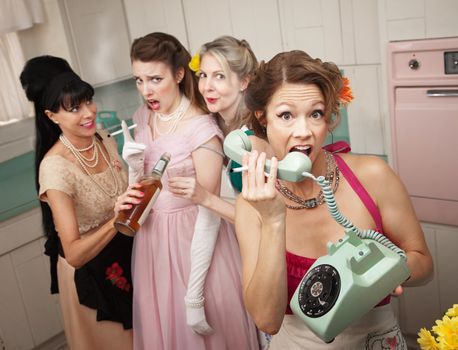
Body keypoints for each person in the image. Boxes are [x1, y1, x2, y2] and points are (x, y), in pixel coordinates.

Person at [234, 50, 434, 349]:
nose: (304, 133)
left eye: (315, 114)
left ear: (328, 118)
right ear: (263, 118)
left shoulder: (373, 175)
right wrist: (274, 220)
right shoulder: (252, 206)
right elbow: (266, 320)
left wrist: (390, 272)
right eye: (286, 115)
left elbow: (424, 263)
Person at [115, 32, 258, 349]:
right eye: (139, 80)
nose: (146, 90)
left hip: (194, 245)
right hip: (153, 246)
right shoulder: (141, 117)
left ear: (179, 74)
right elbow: (143, 192)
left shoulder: (202, 128)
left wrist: (194, 296)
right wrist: (132, 178)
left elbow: (209, 209)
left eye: (155, 78)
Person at [19, 55, 133, 350]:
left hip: (126, 255)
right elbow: (73, 253)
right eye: (74, 108)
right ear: (52, 115)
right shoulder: (55, 168)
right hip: (91, 275)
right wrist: (117, 219)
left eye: (88, 101)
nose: (88, 113)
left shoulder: (103, 138)